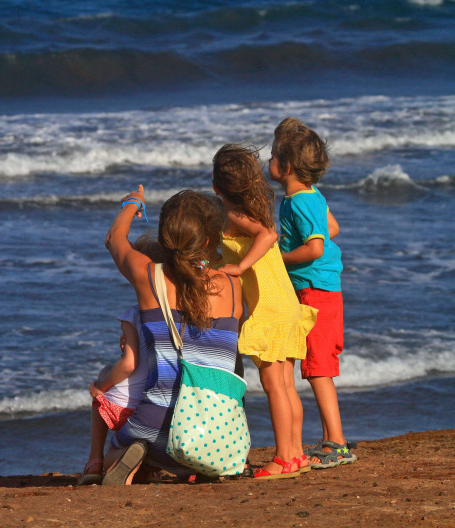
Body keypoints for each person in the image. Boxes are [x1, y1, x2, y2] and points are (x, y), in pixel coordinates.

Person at [101, 186, 243, 485]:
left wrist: (132, 203)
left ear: (165, 237)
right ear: (207, 238)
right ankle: (198, 461)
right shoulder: (231, 285)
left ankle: (141, 455)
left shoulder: (148, 275)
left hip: (153, 422)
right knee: (196, 448)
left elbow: (114, 239)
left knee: (111, 457)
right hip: (215, 428)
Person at [212, 143, 317, 479]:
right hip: (284, 303)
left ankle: (284, 457)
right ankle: (296, 453)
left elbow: (267, 236)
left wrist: (240, 266)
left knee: (274, 386)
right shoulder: (253, 210)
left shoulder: (233, 215)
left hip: (270, 309)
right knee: (285, 386)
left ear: (217, 188)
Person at [270, 117, 356, 468]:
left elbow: (317, 246)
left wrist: (279, 258)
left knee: (318, 367)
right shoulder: (310, 195)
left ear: (286, 167)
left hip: (315, 291)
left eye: (273, 156)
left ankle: (337, 442)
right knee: (320, 364)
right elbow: (331, 226)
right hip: (324, 287)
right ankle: (330, 439)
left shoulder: (298, 202)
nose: (268, 162)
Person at [78, 232, 166, 486]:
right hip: (163, 408)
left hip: (127, 409)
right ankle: (149, 467)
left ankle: (95, 461)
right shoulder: (177, 311)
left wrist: (100, 389)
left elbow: (128, 364)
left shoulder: (135, 315)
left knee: (102, 386)